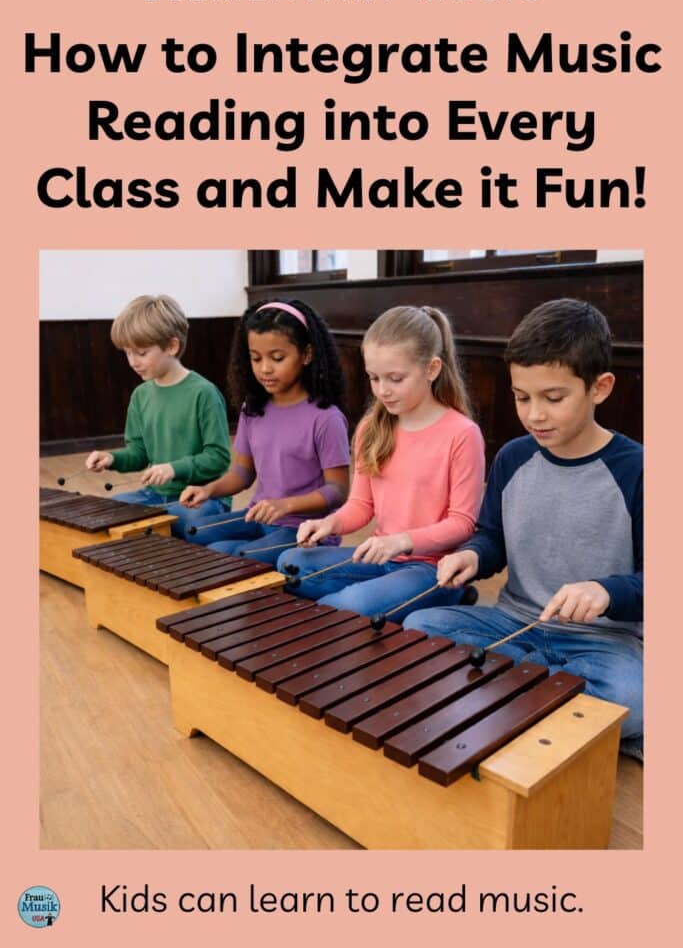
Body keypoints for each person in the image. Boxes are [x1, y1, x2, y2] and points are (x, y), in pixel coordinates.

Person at [403, 298, 643, 760]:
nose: (534, 415)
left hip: (601, 641)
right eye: (522, 397)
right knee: (419, 626)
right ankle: (544, 689)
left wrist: (606, 590)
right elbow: (493, 538)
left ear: (600, 388)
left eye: (553, 398)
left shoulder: (639, 470)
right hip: (514, 621)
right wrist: (472, 556)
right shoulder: (513, 457)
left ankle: (509, 684)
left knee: (632, 698)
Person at [277, 305, 486, 620]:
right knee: (290, 564)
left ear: (432, 369)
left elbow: (462, 524)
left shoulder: (462, 434)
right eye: (374, 378)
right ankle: (383, 599)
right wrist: (329, 524)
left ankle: (446, 597)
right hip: (381, 558)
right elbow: (361, 505)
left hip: (432, 568)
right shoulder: (371, 427)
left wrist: (401, 541)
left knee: (348, 606)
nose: (382, 391)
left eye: (395, 379)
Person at [179, 299, 350, 563]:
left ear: (306, 354)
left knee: (231, 556)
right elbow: (242, 474)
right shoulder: (253, 409)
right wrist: (208, 490)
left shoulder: (326, 418)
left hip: (302, 528)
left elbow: (338, 491)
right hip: (259, 517)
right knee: (194, 532)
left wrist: (285, 505)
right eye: (256, 358)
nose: (265, 368)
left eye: (277, 358)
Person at [85, 294, 232, 539]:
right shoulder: (140, 396)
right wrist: (112, 458)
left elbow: (218, 458)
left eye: (141, 353)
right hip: (153, 495)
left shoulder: (204, 393)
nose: (133, 362)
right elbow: (139, 454)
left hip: (201, 496)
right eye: (127, 353)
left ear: (172, 346)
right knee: (107, 513)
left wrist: (174, 469)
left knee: (191, 525)